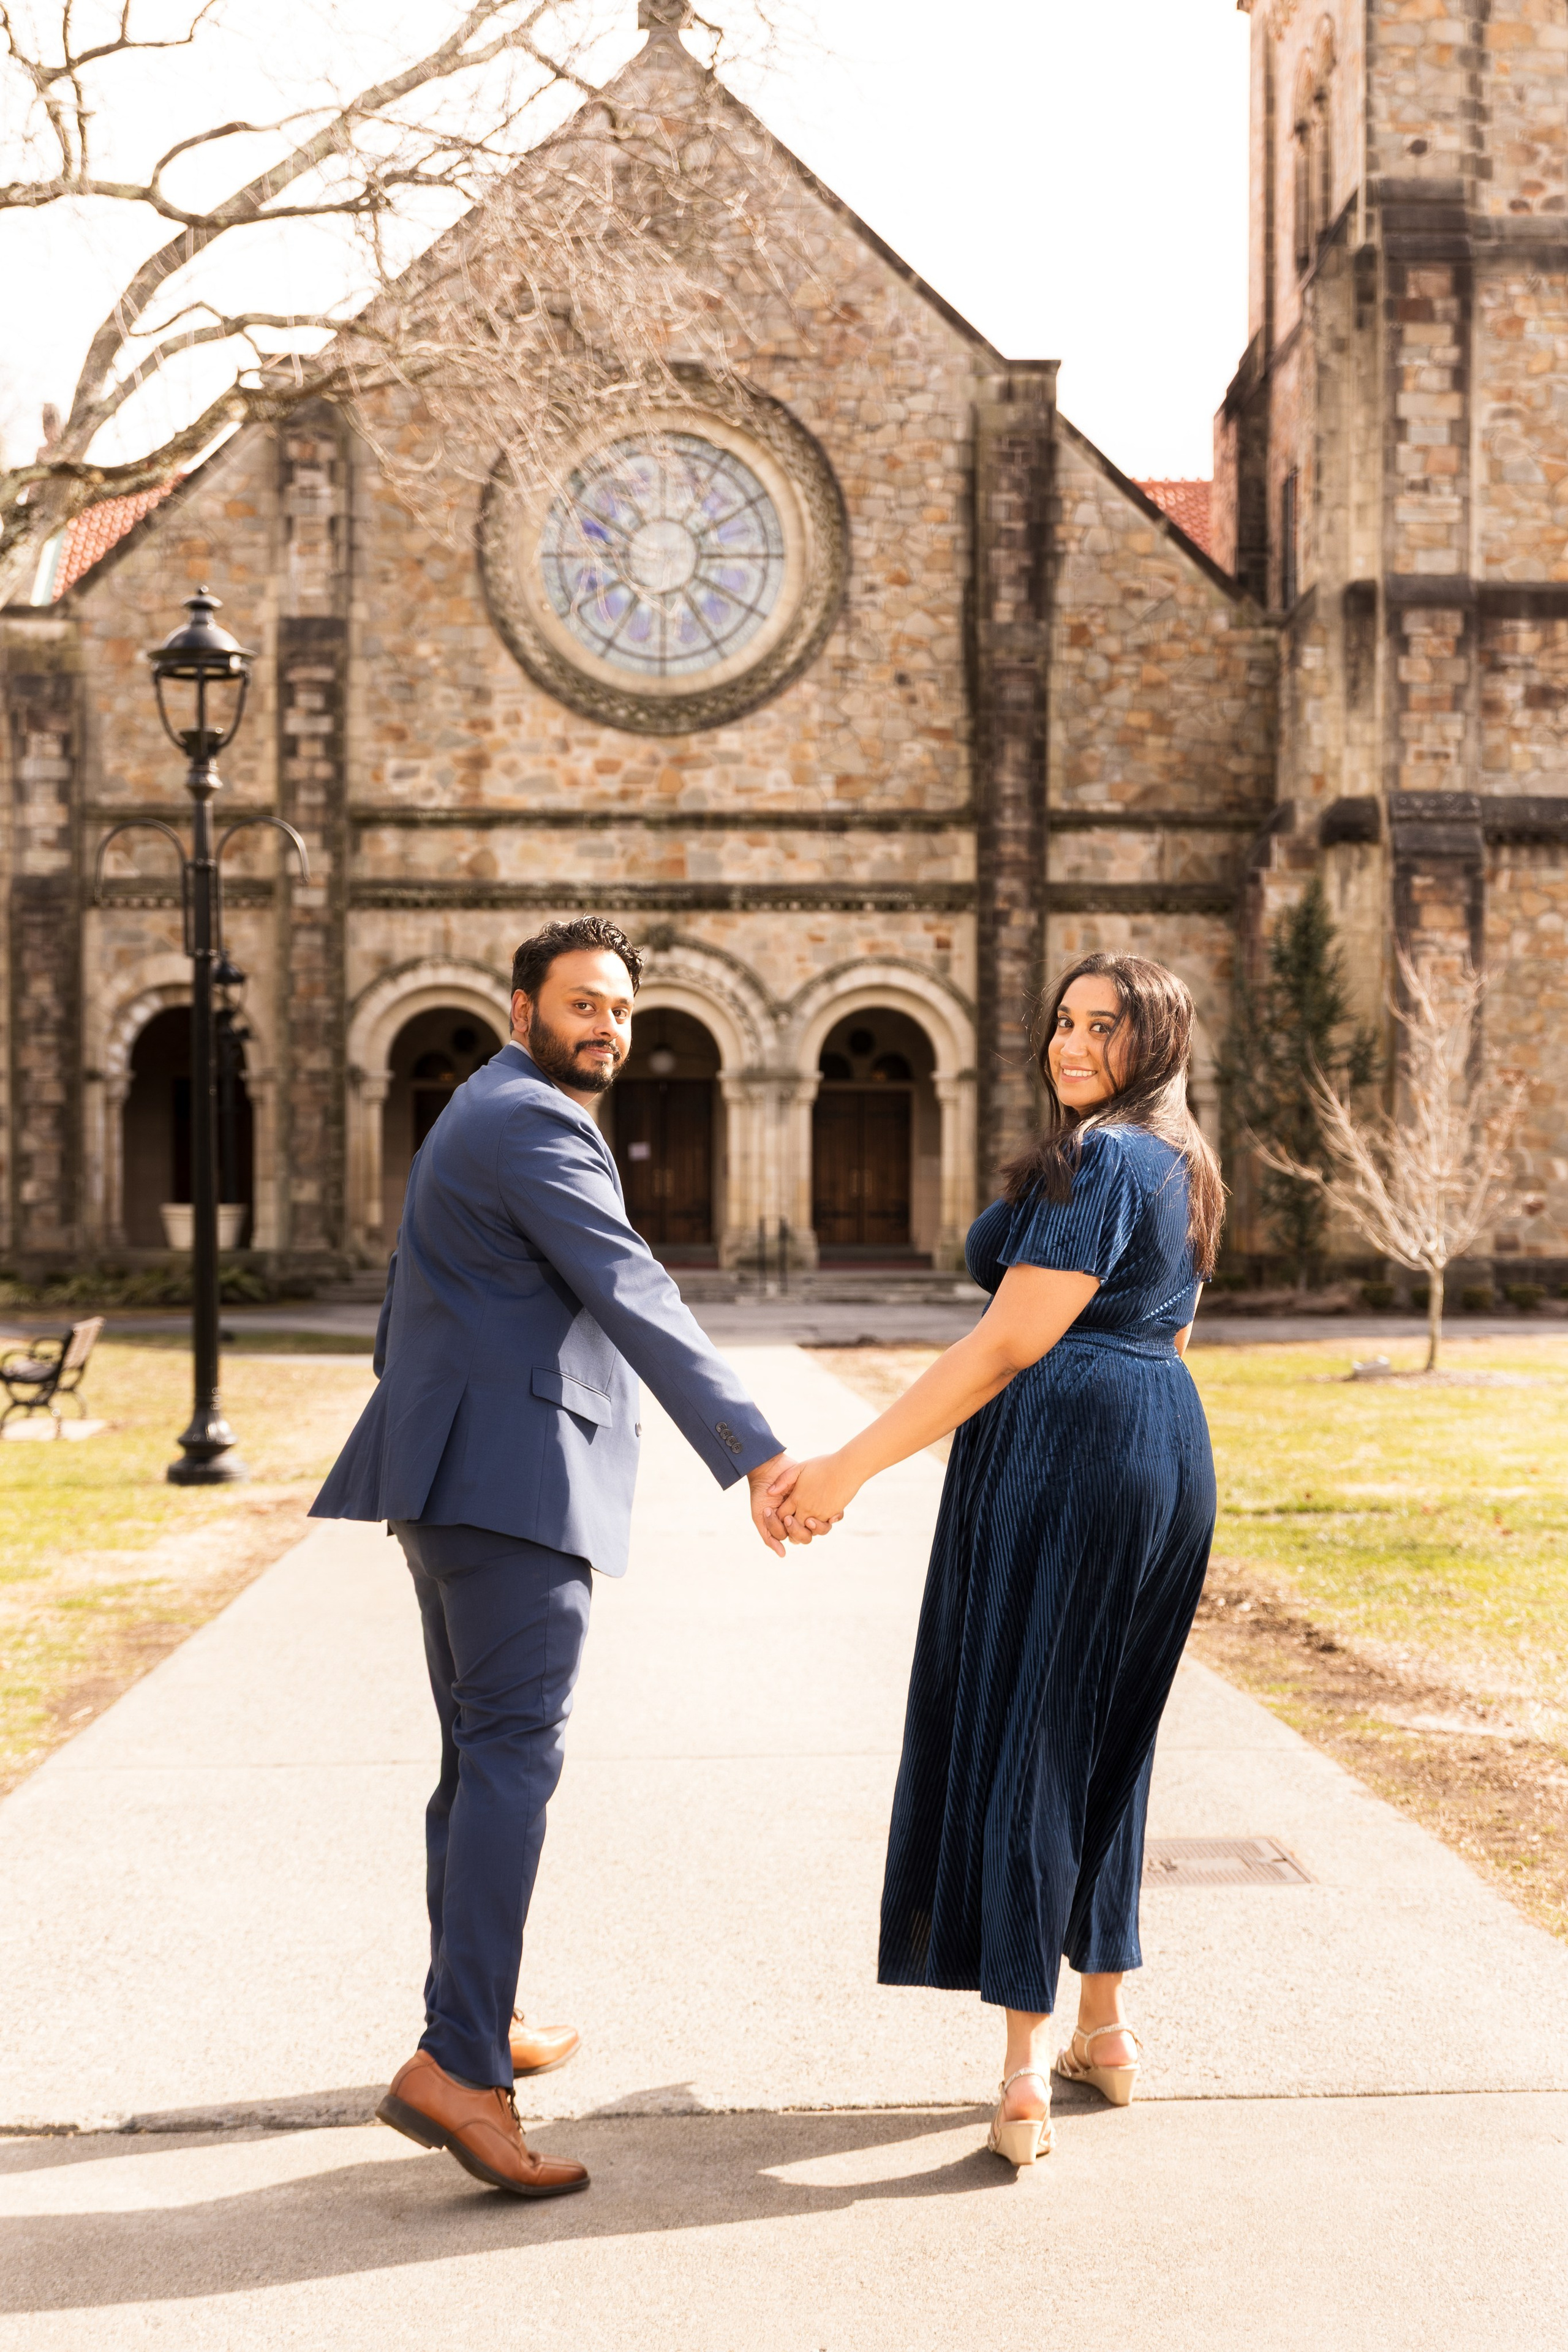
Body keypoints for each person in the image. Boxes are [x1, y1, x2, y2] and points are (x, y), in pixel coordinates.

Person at [311, 916, 810, 2199]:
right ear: (520, 1004)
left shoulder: (485, 1105)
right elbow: (629, 1285)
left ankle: (482, 2009)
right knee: (509, 1767)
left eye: (623, 1010)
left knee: (477, 1765)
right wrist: (756, 1453)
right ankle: (459, 2066)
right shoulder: (531, 1120)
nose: (606, 1027)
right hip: (509, 1487)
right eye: (582, 1002)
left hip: (456, 1476)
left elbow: (413, 1293)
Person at [771, 952, 1222, 2168]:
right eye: (1062, 1023)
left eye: (1103, 1028)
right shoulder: (1182, 1166)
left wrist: (845, 1467)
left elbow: (1003, 1345)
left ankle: (1022, 2076)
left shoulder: (1097, 1161)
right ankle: (1103, 2030)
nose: (1070, 1046)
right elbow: (1172, 1327)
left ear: (1157, 1043)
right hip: (1163, 1439)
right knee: (1106, 1738)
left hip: (1065, 1450)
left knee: (1031, 1731)